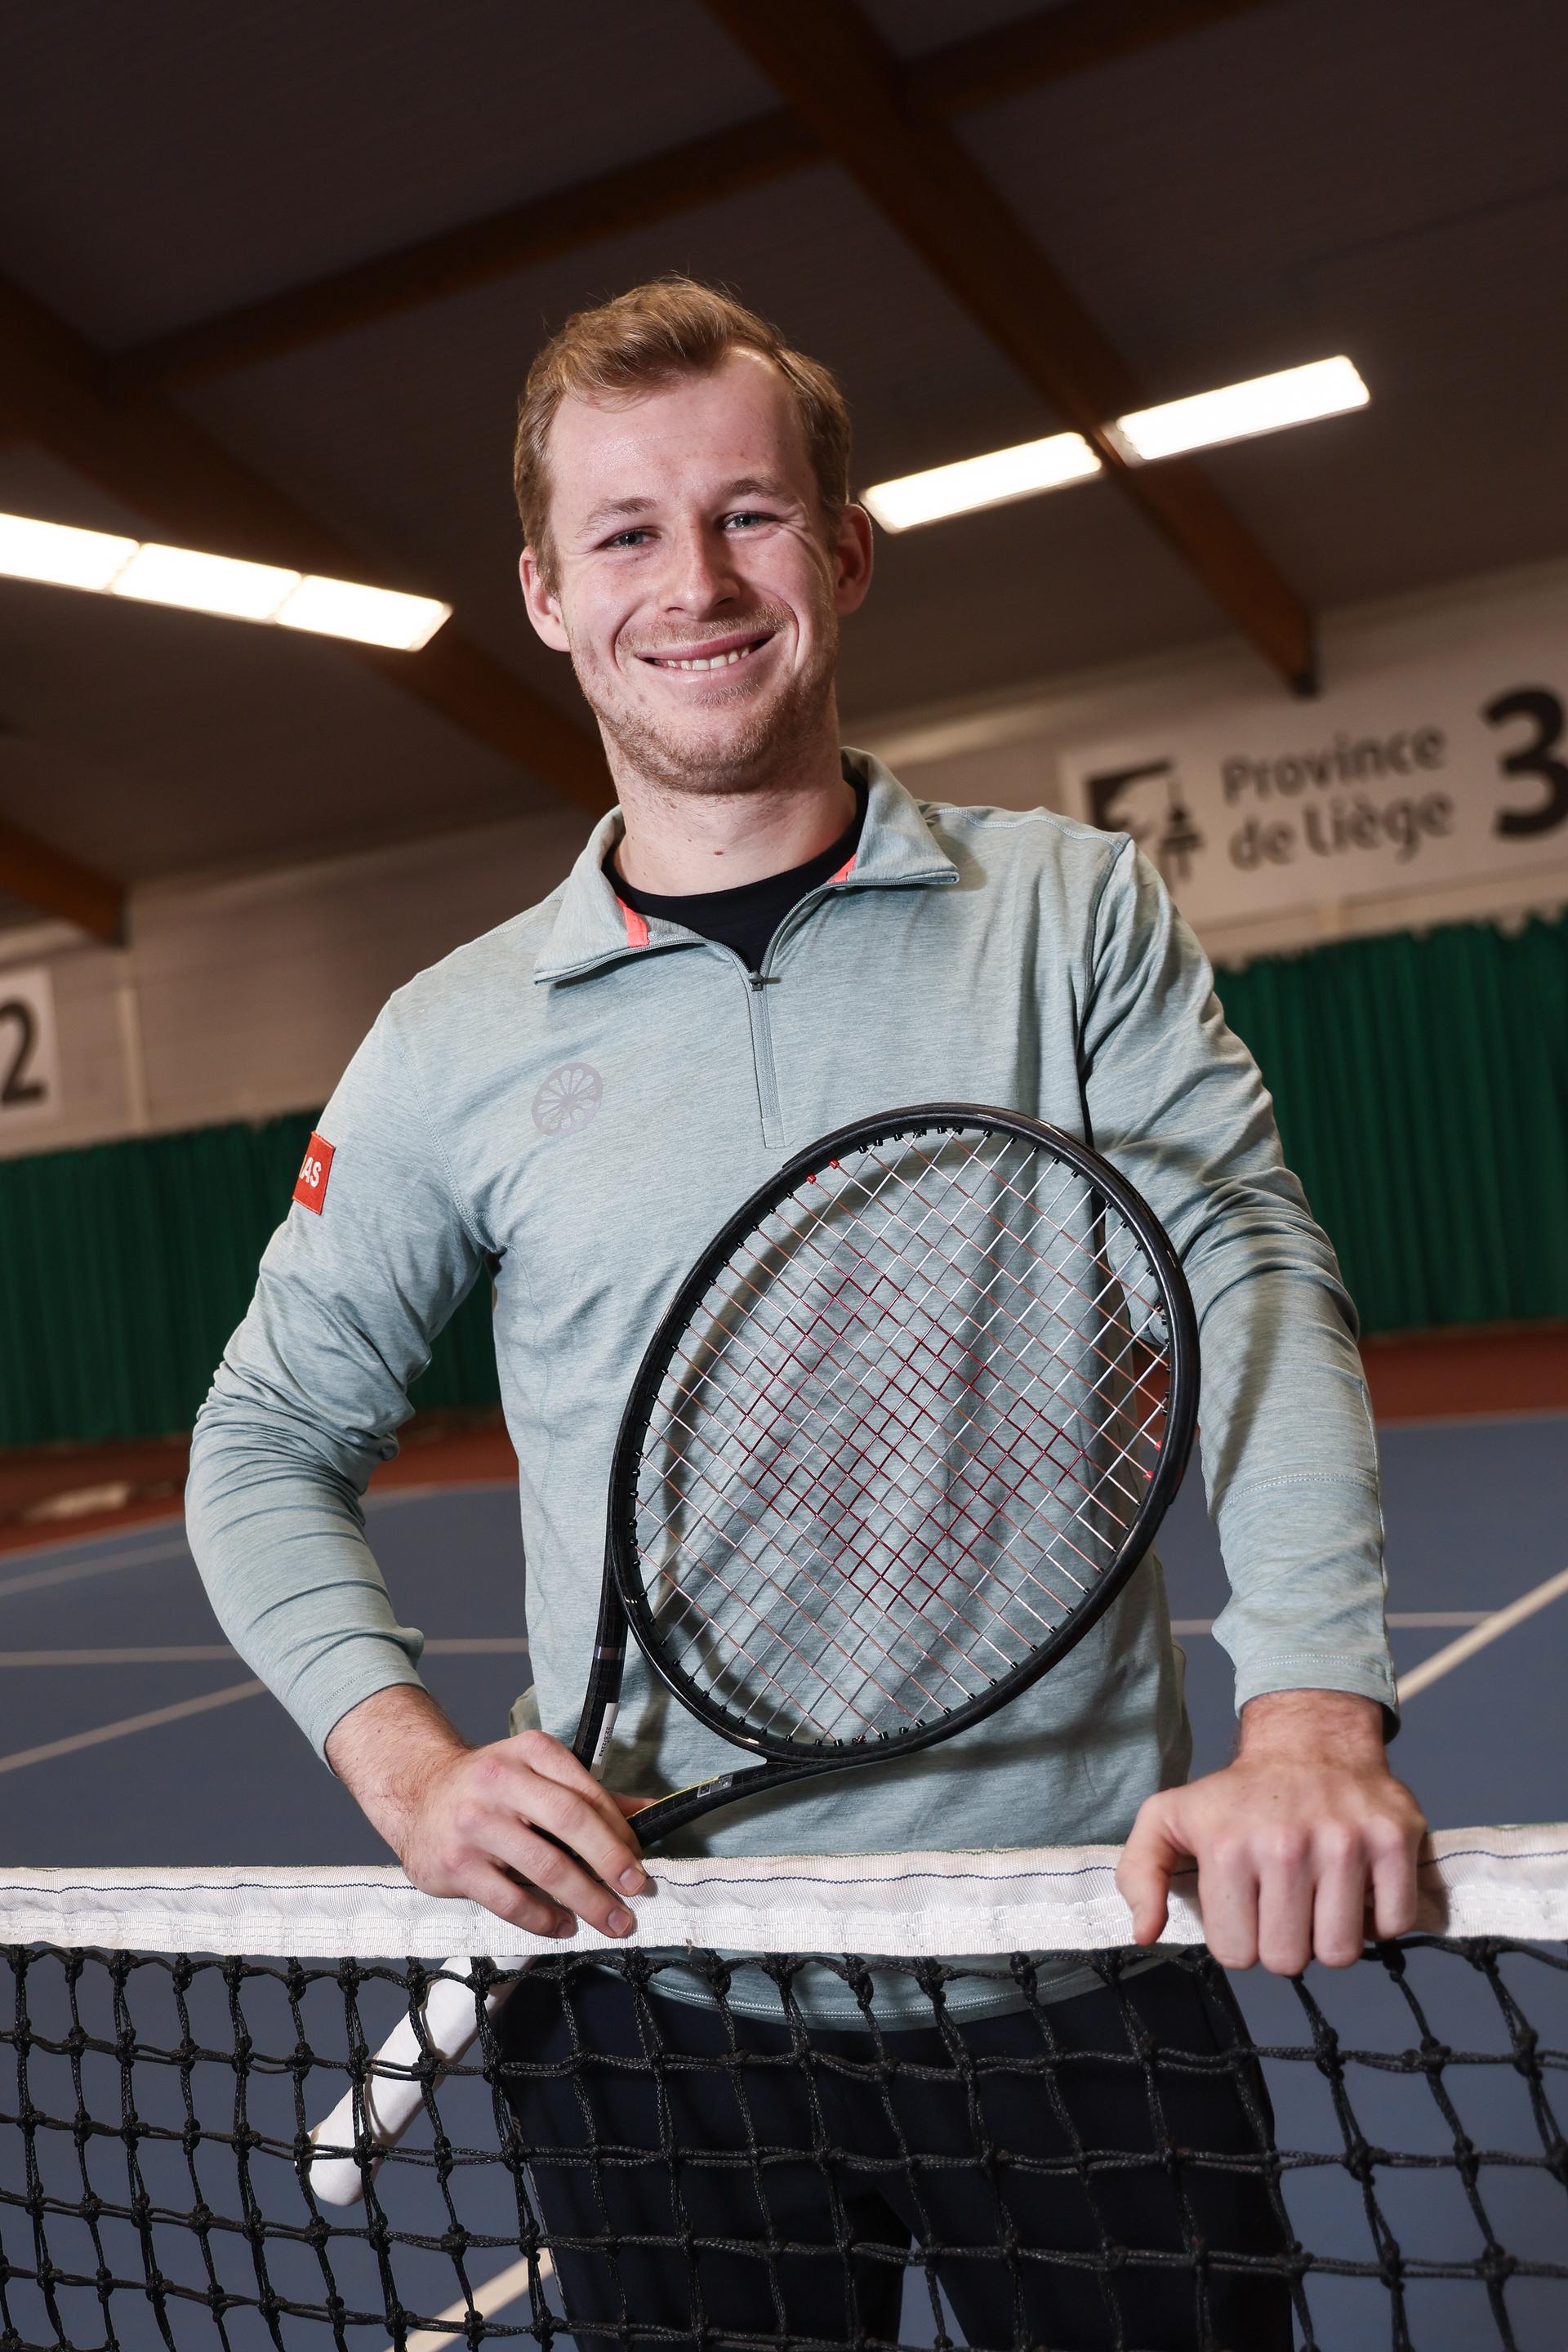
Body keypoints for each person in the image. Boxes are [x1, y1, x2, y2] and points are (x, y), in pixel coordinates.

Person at [188, 277, 1424, 2349]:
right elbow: (263, 1436)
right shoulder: (444, 1042)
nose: (697, 581)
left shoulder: (1074, 913)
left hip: (1072, 1969)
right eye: (628, 535)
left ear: (841, 553)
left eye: (750, 515)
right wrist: (407, 1769)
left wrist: (1308, 1714)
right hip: (658, 2014)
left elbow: (1256, 1270)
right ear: (550, 598)